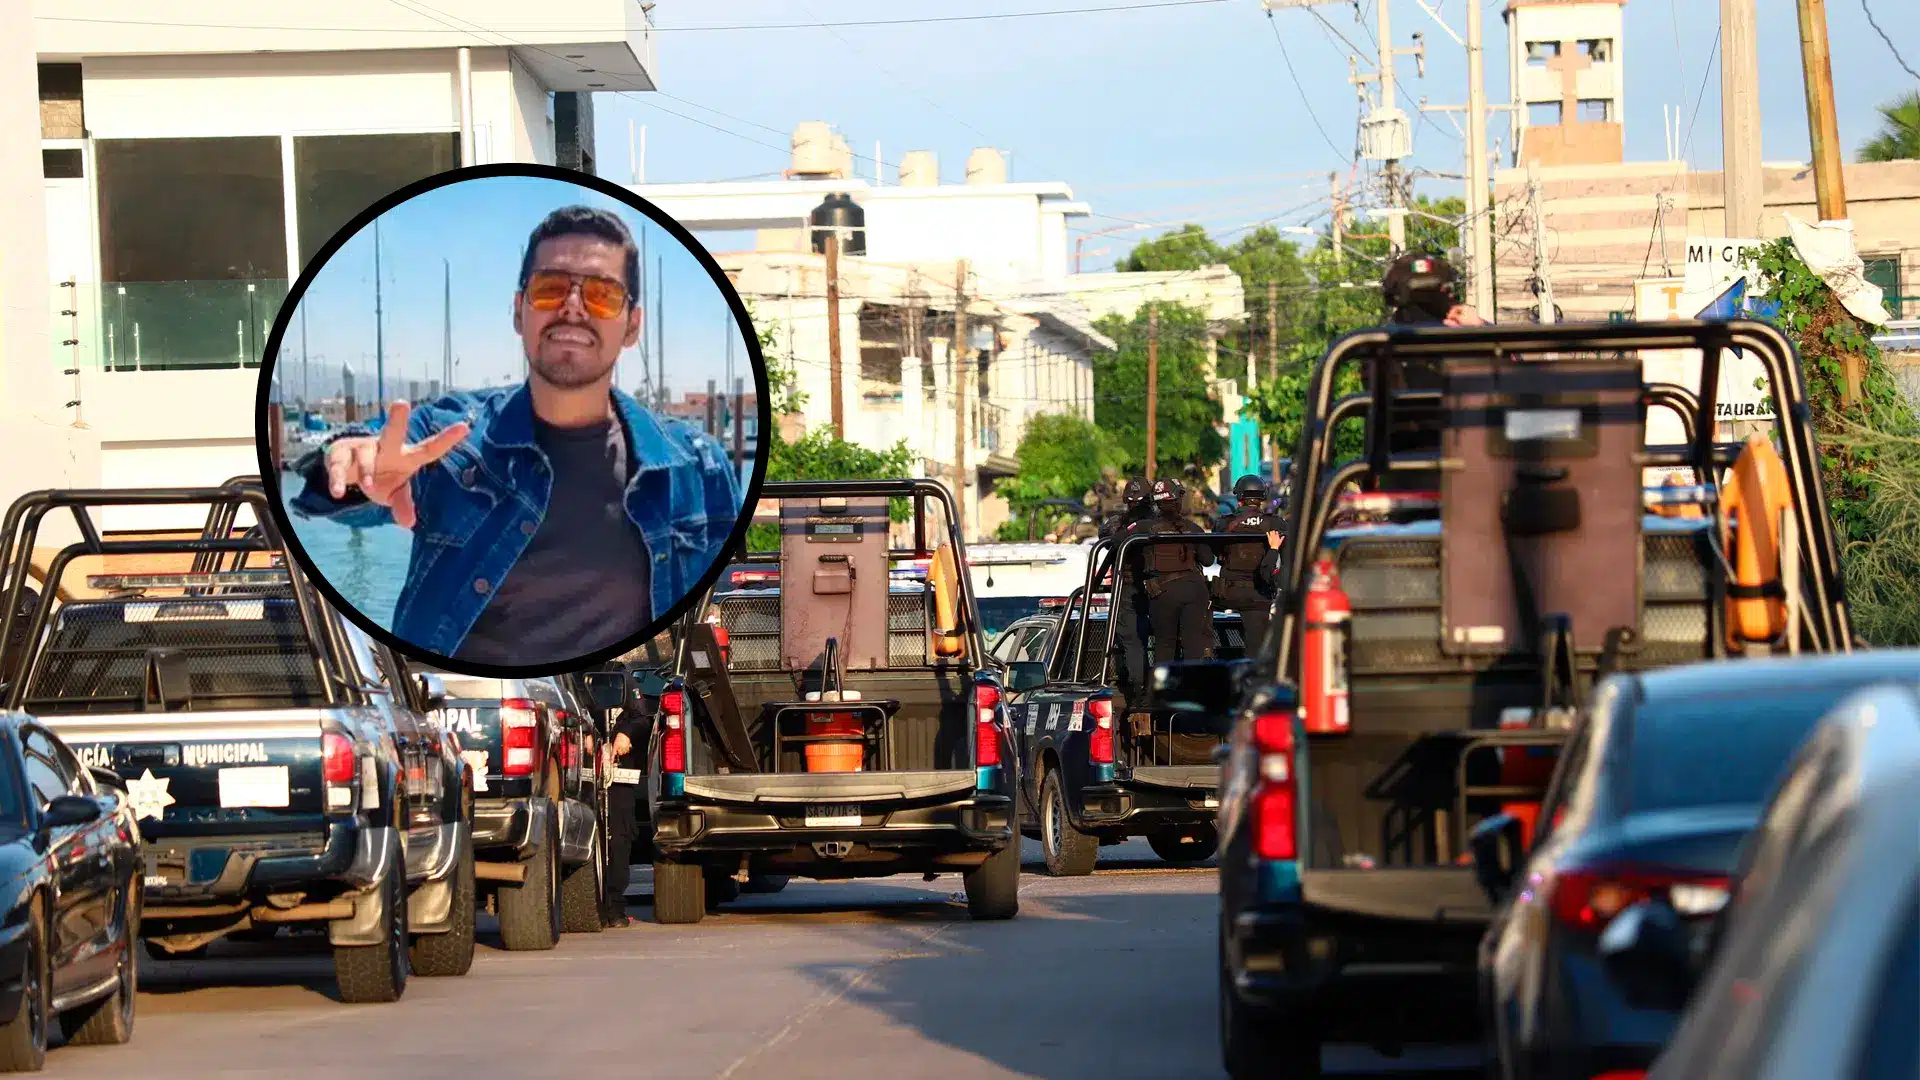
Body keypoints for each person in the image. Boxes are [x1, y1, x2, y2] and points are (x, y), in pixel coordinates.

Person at [289, 205, 743, 666]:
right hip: (460, 703)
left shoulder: (694, 466)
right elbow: (360, 466)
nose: (572, 307)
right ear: (517, 311)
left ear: (631, 325)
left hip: (622, 705)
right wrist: (352, 466)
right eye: (549, 289)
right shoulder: (455, 440)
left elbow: (718, 608)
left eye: (602, 295)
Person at [1141, 478, 1217, 664]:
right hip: (1193, 590)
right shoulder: (1193, 528)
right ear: (1178, 500)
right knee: (1193, 645)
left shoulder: (1144, 528)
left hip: (1162, 592)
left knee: (1165, 646)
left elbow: (1117, 539)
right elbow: (1208, 560)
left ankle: (1163, 690)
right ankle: (1192, 690)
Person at [600, 664, 648, 928]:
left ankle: (615, 906)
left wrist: (625, 734)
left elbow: (641, 718)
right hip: (584, 777)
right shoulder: (573, 675)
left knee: (620, 837)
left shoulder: (621, 675)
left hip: (618, 777)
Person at [1215, 475, 1278, 658]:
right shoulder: (1274, 523)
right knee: (1256, 650)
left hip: (1228, 591)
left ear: (1239, 497)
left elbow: (1213, 553)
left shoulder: (1224, 524)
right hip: (1258, 593)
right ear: (1262, 497)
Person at [1105, 478, 1153, 686]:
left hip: (1131, 589)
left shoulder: (1123, 526)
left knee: (1132, 641)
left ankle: (1139, 690)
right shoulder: (1159, 523)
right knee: (1166, 641)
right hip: (1156, 588)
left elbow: (1108, 539)